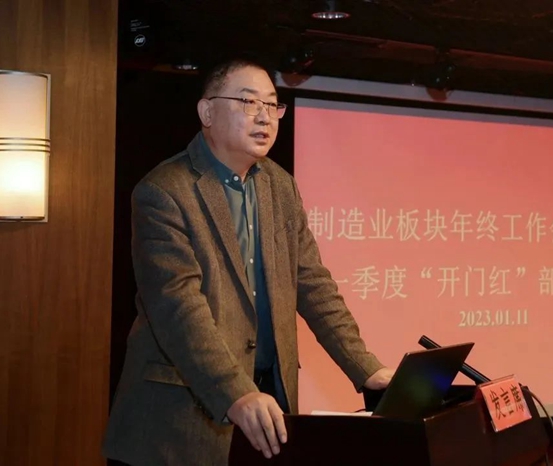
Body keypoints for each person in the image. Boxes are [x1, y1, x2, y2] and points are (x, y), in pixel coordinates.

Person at [102, 57, 394, 466]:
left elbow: (313, 285)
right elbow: (178, 309)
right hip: (179, 424)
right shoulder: (165, 192)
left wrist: (366, 368)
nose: (264, 117)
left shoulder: (279, 185)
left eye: (272, 104)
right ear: (207, 112)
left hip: (267, 411)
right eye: (248, 102)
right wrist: (236, 391)